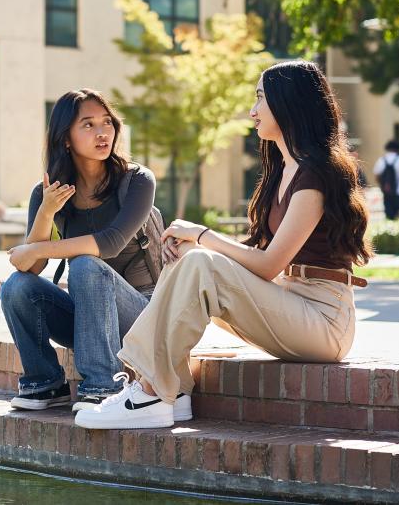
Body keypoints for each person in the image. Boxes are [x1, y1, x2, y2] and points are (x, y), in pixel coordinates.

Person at [75, 60, 371, 429]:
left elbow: (267, 264)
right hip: (290, 300)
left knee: (200, 259)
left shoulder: (318, 174)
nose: (253, 111)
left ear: (287, 103)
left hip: (324, 320)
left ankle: (150, 389)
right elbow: (255, 258)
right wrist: (190, 247)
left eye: (260, 98)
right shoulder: (283, 170)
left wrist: (202, 235)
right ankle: (173, 391)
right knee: (188, 258)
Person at [0, 88, 183, 415]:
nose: (102, 133)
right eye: (87, 124)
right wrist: (45, 212)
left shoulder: (136, 180)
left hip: (143, 314)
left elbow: (110, 242)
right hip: (90, 317)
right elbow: (34, 267)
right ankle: (44, 382)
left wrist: (38, 247)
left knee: (85, 264)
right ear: (66, 138)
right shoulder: (48, 191)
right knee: (16, 287)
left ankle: (104, 385)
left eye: (107, 122)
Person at [373, 139, 399, 220]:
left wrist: (383, 186)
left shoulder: (382, 160)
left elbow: (376, 175)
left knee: (389, 216)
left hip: (387, 192)